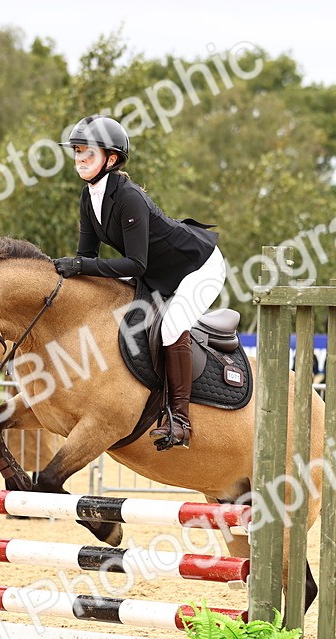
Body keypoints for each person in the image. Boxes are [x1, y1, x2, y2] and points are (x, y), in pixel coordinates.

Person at [52, 115, 225, 451]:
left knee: (172, 327)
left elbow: (135, 263)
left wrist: (79, 265)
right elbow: (86, 256)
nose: (80, 159)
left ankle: (180, 421)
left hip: (198, 267)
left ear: (111, 159)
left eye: (88, 152)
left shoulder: (128, 197)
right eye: (77, 151)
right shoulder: (89, 197)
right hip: (157, 273)